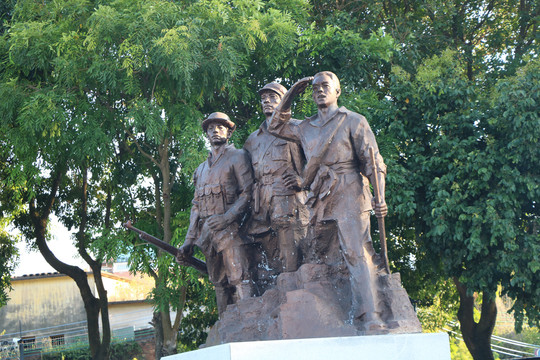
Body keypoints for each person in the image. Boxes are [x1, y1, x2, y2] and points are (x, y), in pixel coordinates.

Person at [268, 72, 389, 331]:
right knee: (318, 253)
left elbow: (373, 162)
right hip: (320, 196)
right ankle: (333, 314)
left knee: (357, 252)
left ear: (337, 91)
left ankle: (372, 317)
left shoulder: (353, 121)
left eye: (325, 86)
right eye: (314, 88)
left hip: (350, 191)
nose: (319, 91)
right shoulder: (306, 127)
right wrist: (292, 92)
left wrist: (381, 196)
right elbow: (275, 127)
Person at [178, 112, 254, 315]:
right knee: (218, 282)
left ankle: (249, 322)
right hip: (207, 233)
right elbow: (196, 206)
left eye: (220, 127)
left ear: (229, 132)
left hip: (233, 230)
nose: (215, 131)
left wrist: (227, 218)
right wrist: (189, 241)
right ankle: (225, 328)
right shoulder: (201, 169)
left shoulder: (238, 157)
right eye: (210, 128)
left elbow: (248, 193)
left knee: (239, 278)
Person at [243, 82, 308, 284]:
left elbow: (317, 160)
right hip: (261, 202)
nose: (267, 102)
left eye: (273, 98)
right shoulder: (252, 139)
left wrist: (303, 180)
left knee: (293, 243)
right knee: (264, 248)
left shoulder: (297, 128)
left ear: (283, 101)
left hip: (289, 197)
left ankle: (292, 287)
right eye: (264, 99)